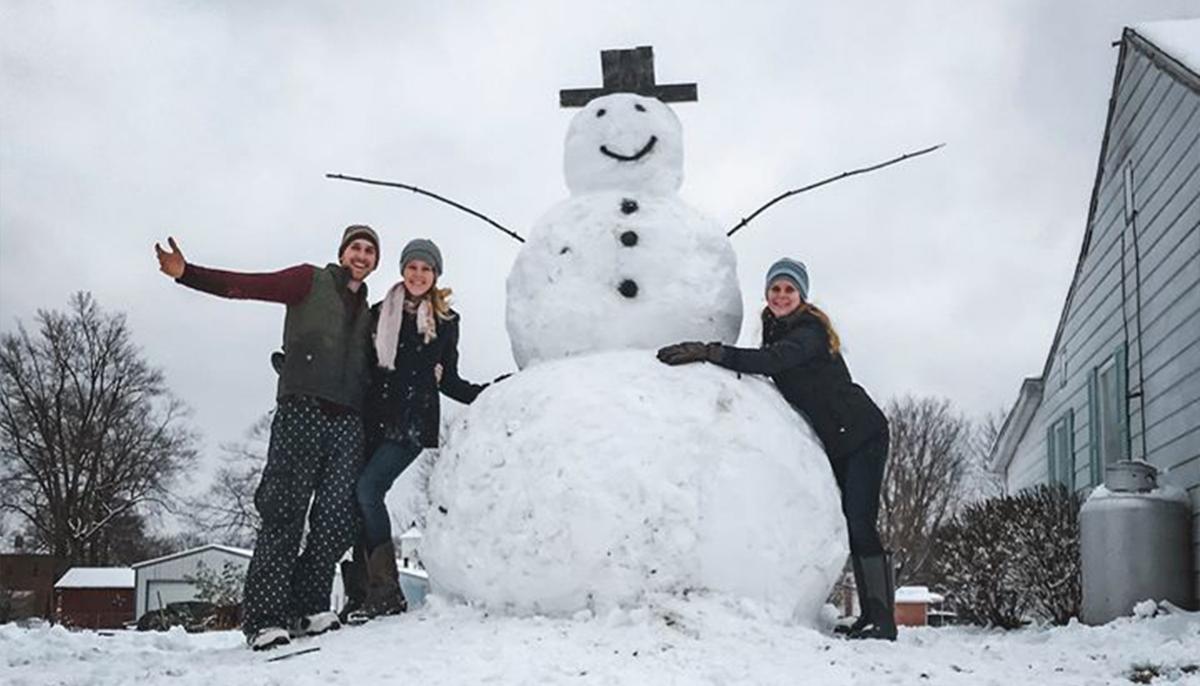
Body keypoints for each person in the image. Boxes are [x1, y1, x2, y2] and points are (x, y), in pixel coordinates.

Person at [154, 225, 380, 650]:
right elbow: (248, 285)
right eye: (356, 247)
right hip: (302, 411)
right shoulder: (308, 280)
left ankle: (308, 606)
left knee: (335, 520)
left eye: (370, 251)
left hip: (348, 421)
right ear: (343, 251)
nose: (362, 255)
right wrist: (188, 273)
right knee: (284, 513)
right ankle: (265, 618)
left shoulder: (371, 313)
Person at [656, 258, 896, 641]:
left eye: (789, 289)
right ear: (767, 295)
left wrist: (710, 351)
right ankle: (870, 615)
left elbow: (773, 361)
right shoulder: (775, 328)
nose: (781, 296)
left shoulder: (809, 330)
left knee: (859, 522)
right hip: (836, 437)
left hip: (862, 434)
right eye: (775, 289)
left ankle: (882, 620)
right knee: (848, 522)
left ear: (802, 295)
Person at [343, 238, 491, 619]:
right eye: (413, 267)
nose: (418, 274)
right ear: (403, 270)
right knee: (356, 499)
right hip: (372, 418)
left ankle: (387, 592)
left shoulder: (445, 322)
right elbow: (360, 366)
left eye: (426, 269)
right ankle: (361, 594)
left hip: (411, 423)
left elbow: (450, 380)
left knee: (368, 489)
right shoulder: (379, 313)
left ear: (435, 275)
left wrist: (492, 392)